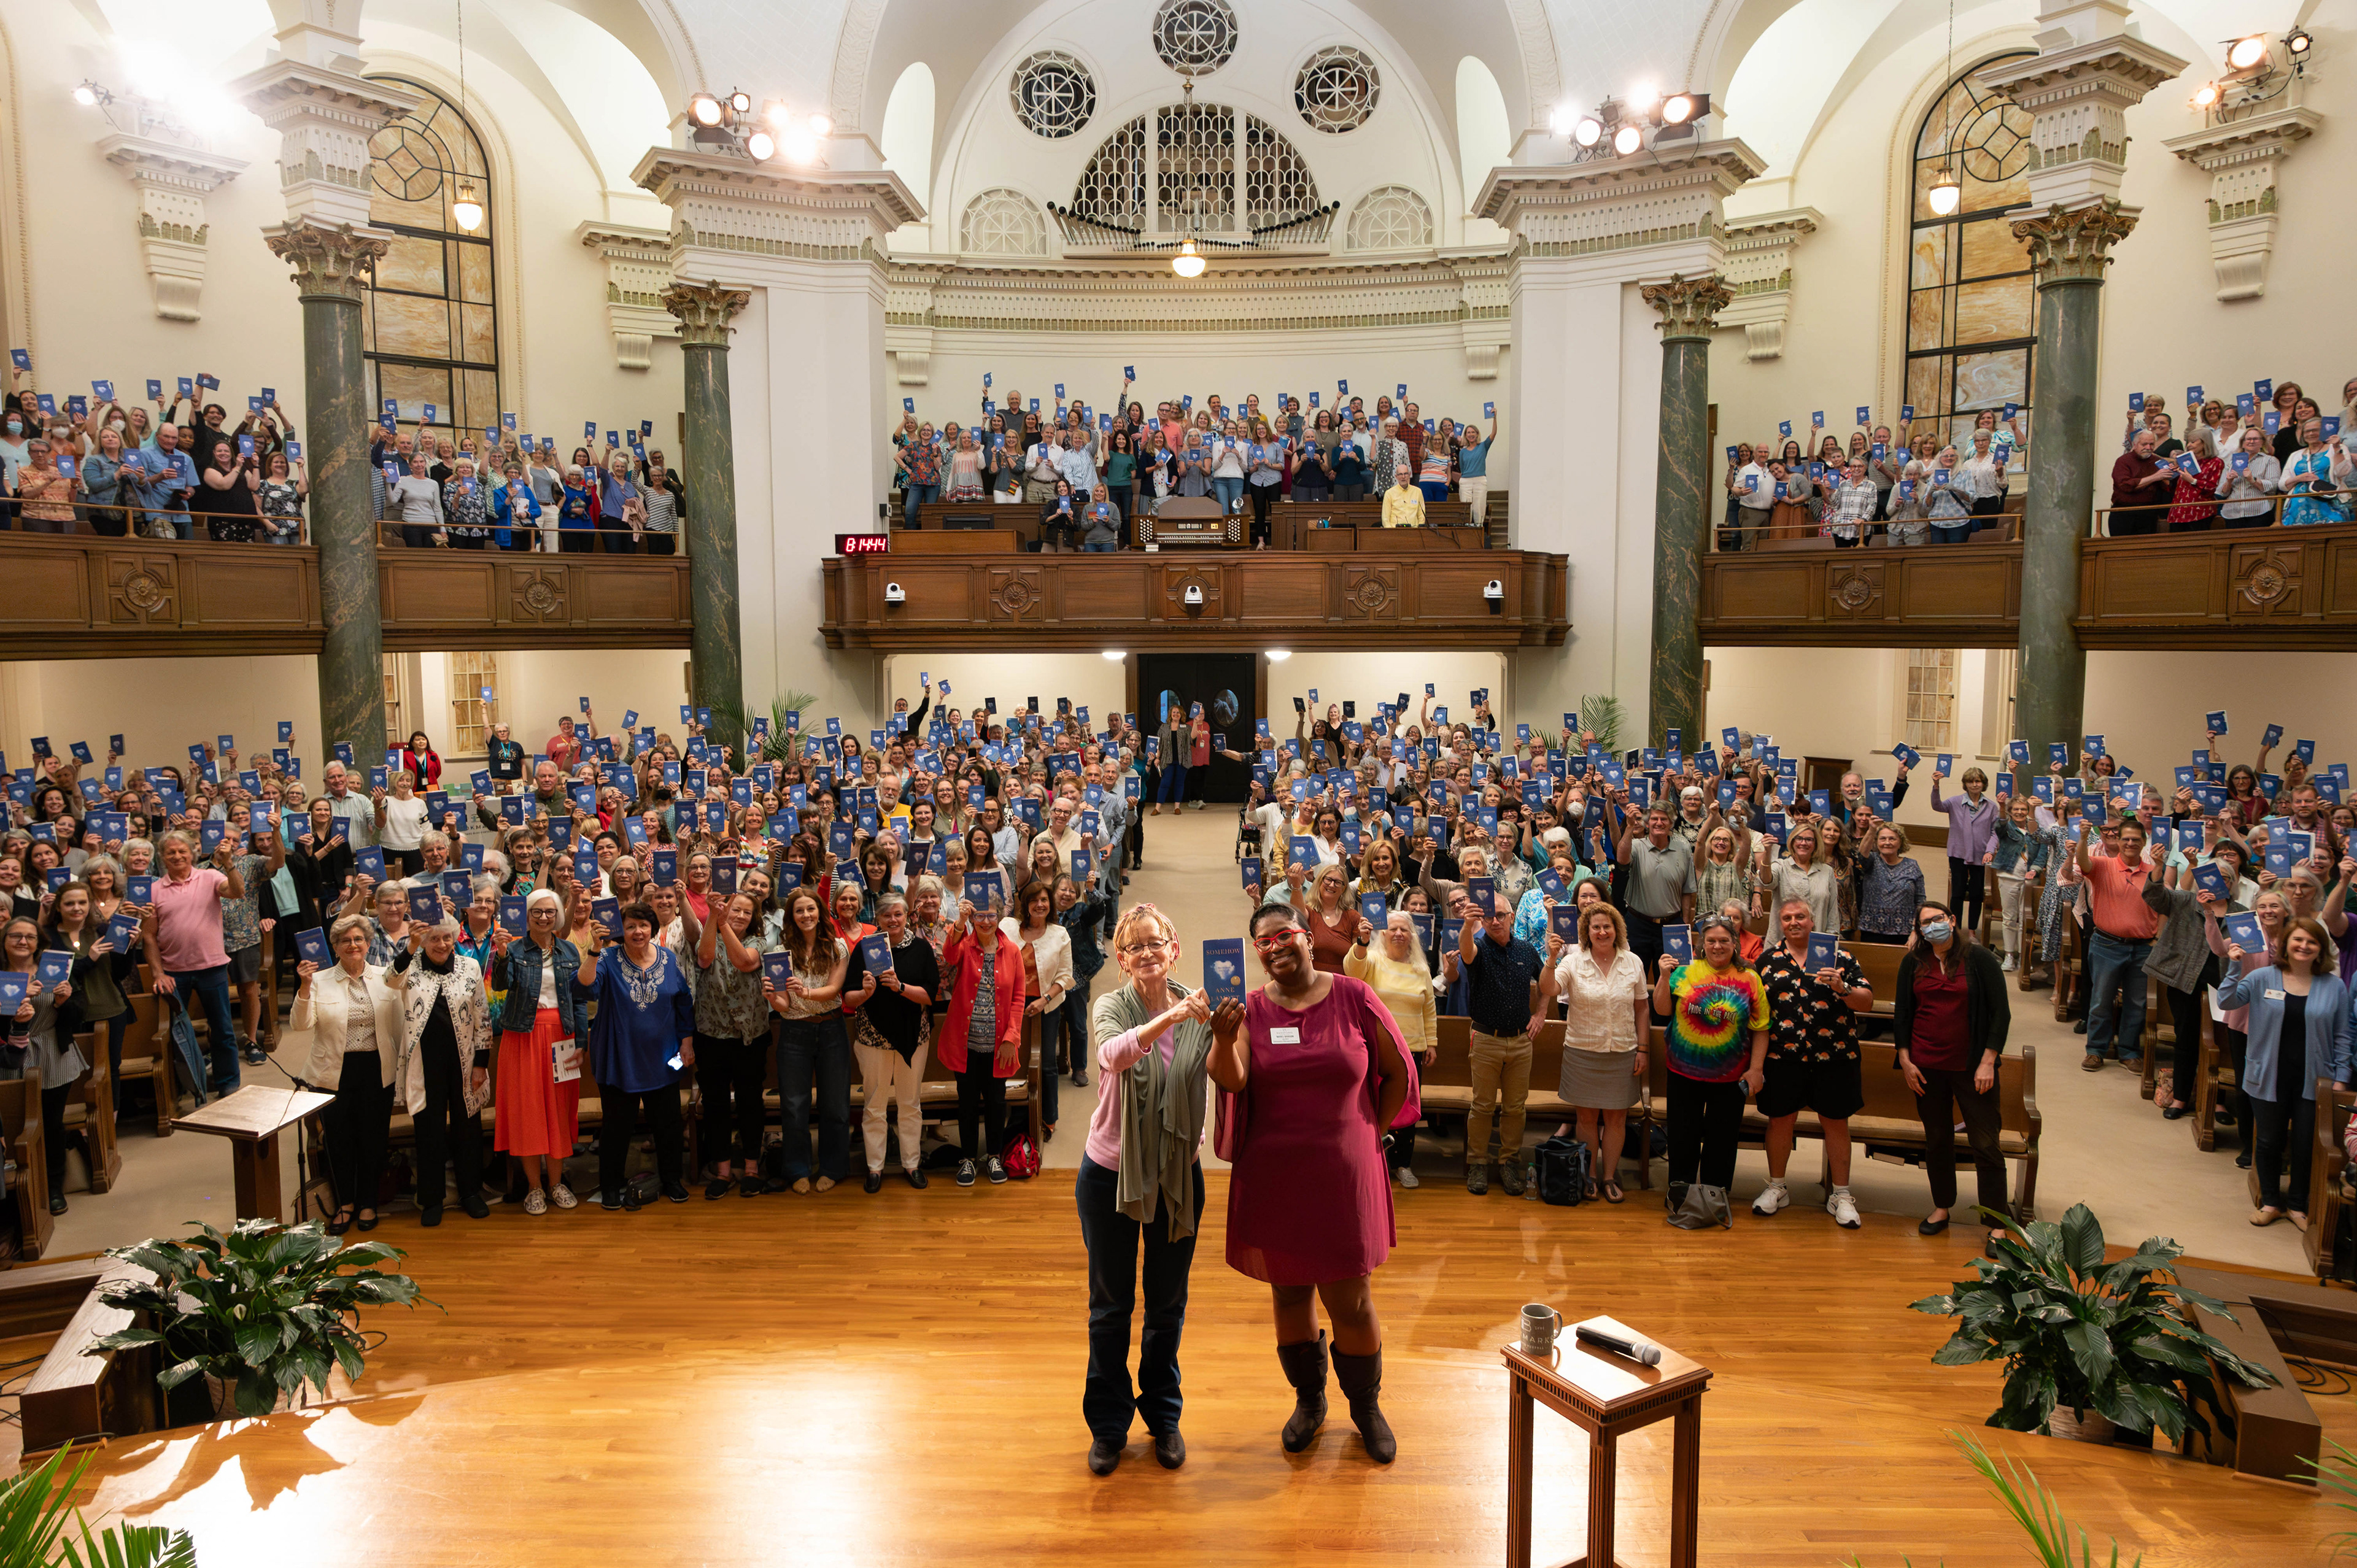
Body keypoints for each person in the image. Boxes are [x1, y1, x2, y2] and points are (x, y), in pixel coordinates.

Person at [1210, 902, 1411, 1464]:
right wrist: (1223, 1040)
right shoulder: (1245, 1011)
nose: (1275, 948)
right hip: (1276, 1176)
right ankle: (1309, 1401)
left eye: (1284, 936)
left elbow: (1397, 1072)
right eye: (1263, 943)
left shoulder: (1352, 995)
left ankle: (1366, 1407)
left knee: (1350, 1297)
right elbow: (1232, 1078)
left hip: (1343, 1175)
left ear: (1305, 935)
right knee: (1290, 1290)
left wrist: (1372, 1131)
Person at [1078, 904, 1228, 1475]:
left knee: (1167, 1306)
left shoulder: (1202, 1007)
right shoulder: (1111, 1006)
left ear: (1174, 949)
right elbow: (1113, 1055)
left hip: (1176, 1173)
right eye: (1134, 946)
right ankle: (1110, 1426)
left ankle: (1163, 1417)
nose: (1146, 953)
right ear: (1121, 959)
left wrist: (1225, 1028)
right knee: (1110, 1308)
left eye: (1154, 943)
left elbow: (1226, 1068)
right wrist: (1171, 1019)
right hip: (1110, 1173)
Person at [1894, 900, 2013, 1256]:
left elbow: (2001, 1015)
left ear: (1952, 920)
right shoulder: (1913, 962)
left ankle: (1996, 1223)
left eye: (1938, 920)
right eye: (1925, 923)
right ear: (1919, 931)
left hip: (1973, 1068)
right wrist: (1906, 1061)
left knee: (1986, 1144)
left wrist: (1988, 1061)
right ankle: (1942, 1206)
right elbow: (1902, 1015)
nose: (1933, 927)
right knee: (1938, 1140)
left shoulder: (1980, 960)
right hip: (1926, 1068)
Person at [2218, 916, 2351, 1229]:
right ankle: (2271, 1202)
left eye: (2312, 942)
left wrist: (2342, 1076)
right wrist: (2234, 966)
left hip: (2316, 1079)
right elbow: (2226, 1001)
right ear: (2286, 945)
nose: (2304, 946)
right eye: (2298, 940)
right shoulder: (2263, 977)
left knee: (2306, 1144)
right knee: (2268, 1140)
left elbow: (2343, 1034)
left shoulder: (2334, 986)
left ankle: (2297, 1205)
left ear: (2321, 949)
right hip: (2267, 1075)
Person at [1751, 900, 1873, 1227]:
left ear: (1812, 919)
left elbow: (1868, 1001)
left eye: (1800, 916)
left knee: (1836, 1123)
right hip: (1783, 1057)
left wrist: (1842, 987)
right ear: (1780, 923)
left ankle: (1842, 1194)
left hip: (1834, 1056)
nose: (1794, 922)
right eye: (1787, 918)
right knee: (1779, 1121)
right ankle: (1777, 1187)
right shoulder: (1767, 961)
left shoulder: (1840, 956)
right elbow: (1757, 1014)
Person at [1651, 913, 1768, 1229]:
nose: (1717, 946)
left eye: (1724, 941)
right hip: (1683, 1074)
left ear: (1735, 944)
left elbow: (1761, 1028)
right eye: (1711, 941)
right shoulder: (1685, 971)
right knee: (1682, 1138)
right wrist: (1663, 976)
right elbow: (1662, 1009)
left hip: (1730, 1078)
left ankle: (1716, 1200)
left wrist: (1756, 1069)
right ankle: (1681, 1197)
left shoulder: (1750, 979)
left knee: (1722, 1141)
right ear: (1702, 943)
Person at [577, 900, 695, 1210]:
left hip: (665, 1056)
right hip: (620, 1056)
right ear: (621, 931)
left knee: (668, 1124)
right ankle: (611, 1186)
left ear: (653, 929)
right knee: (617, 1126)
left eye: (643, 925)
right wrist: (593, 949)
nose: (638, 931)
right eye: (630, 926)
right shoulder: (606, 958)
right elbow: (585, 988)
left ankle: (671, 1180)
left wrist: (686, 1041)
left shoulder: (668, 959)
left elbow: (683, 1002)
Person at [292, 913, 403, 1234]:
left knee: (373, 1140)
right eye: (345, 941)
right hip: (331, 1073)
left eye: (358, 939)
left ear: (369, 944)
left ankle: (368, 1202)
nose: (353, 945)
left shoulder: (386, 978)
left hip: (376, 1069)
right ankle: (345, 1204)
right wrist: (304, 986)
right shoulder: (320, 979)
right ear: (335, 947)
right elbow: (300, 1026)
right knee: (339, 1141)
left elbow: (399, 1025)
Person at [1538, 902, 1648, 1203]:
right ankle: (1590, 1176)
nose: (1602, 932)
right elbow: (1548, 989)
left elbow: (1642, 1008)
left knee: (1616, 1120)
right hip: (1582, 1051)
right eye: (1595, 927)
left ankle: (1609, 1176)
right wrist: (1550, 958)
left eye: (1607, 926)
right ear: (1586, 932)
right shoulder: (1573, 962)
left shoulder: (1633, 962)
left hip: (1622, 1050)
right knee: (1586, 1120)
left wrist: (1643, 1048)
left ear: (1617, 930)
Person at [390, 910, 493, 1224]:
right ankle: (431, 1199)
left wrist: (481, 1065)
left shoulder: (470, 966)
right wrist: (411, 947)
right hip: (424, 1063)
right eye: (434, 938)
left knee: (468, 1129)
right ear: (423, 942)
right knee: (429, 1131)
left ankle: (471, 1193)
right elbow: (389, 980)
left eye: (447, 937)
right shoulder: (411, 968)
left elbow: (483, 1017)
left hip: (464, 1062)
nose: (442, 944)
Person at [492, 889, 586, 1214]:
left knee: (559, 1112)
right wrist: (502, 954)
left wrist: (582, 1043)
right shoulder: (514, 949)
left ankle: (556, 1184)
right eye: (537, 912)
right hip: (522, 1038)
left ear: (558, 915)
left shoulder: (569, 950)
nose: (544, 917)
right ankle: (534, 1188)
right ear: (526, 914)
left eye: (550, 912)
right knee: (528, 1112)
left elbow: (579, 1001)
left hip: (562, 1037)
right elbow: (502, 985)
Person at [843, 889, 940, 1191]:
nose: (893, 919)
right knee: (874, 1107)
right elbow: (848, 996)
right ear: (879, 920)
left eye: (898, 914)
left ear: (906, 917)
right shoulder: (864, 949)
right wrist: (867, 992)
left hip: (913, 1037)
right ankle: (875, 1168)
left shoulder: (922, 949)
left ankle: (912, 1164)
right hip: (873, 1038)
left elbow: (929, 996)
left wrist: (899, 987)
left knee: (910, 1105)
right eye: (887, 915)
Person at [142, 828, 244, 1097]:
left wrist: (229, 863)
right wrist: (157, 973)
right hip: (174, 974)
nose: (177, 856)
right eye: (171, 852)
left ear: (193, 853)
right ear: (163, 858)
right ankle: (184, 1089)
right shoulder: (153, 890)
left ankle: (229, 1085)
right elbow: (149, 937)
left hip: (213, 969)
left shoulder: (210, 876)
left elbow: (237, 891)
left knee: (222, 1030)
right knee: (177, 1036)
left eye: (182, 851)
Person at [1455, 889, 1543, 1195]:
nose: (1495, 921)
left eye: (1501, 916)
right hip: (1485, 1040)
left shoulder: (1526, 950)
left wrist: (1542, 1013)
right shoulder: (1478, 947)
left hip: (1521, 1042)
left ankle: (1509, 1164)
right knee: (1482, 1107)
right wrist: (1468, 925)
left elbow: (1546, 983)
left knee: (1516, 1109)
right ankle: (1478, 1163)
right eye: (1489, 916)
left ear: (1512, 917)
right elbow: (1466, 953)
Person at [0, 914, 88, 1215]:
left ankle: (54, 1187)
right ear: (5, 941)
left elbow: (80, 1015)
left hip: (53, 1052)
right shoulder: (1, 974)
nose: (23, 942)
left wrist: (64, 1002)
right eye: (15, 936)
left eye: (30, 937)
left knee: (51, 1122)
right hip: (12, 1054)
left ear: (39, 943)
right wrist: (14, 1003)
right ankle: (21, 1187)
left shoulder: (56, 970)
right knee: (17, 1121)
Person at [766, 886, 851, 1194]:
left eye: (811, 909)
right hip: (794, 1031)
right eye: (799, 911)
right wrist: (773, 998)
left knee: (836, 1105)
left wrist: (806, 993)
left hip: (831, 1028)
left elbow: (834, 990)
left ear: (820, 912)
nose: (806, 915)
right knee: (793, 1106)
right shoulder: (779, 952)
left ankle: (833, 1167)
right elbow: (784, 1005)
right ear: (791, 916)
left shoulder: (838, 947)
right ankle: (798, 1169)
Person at [1345, 909, 1436, 1189]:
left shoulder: (1421, 969)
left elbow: (1429, 1010)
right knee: (1372, 1106)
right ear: (1382, 933)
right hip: (1376, 1052)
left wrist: (1431, 1042)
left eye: (1405, 930)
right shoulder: (1371, 960)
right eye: (1393, 929)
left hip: (1411, 1051)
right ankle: (1372, 1160)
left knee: (1406, 1109)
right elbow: (1352, 970)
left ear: (1412, 936)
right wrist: (1361, 942)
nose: (1399, 933)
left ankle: (1403, 1164)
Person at [693, 890, 775, 1198]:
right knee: (715, 1105)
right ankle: (723, 1171)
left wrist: (722, 919)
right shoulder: (707, 934)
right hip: (711, 1034)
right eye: (734, 910)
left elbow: (743, 962)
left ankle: (752, 1168)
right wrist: (714, 918)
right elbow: (705, 958)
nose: (740, 916)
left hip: (749, 1035)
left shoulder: (758, 942)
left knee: (750, 1102)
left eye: (746, 913)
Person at [940, 885, 1021, 1186]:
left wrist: (1012, 1037)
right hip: (966, 1042)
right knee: (968, 1103)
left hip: (999, 1043)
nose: (986, 921)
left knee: (997, 1102)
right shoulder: (965, 943)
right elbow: (949, 955)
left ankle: (995, 1156)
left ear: (1001, 917)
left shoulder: (1011, 950)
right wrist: (959, 923)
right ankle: (968, 1159)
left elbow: (1018, 997)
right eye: (980, 916)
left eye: (992, 915)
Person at [2074, 814, 2158, 1072]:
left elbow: (2165, 904)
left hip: (2143, 948)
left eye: (2136, 839)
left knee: (2137, 1003)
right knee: (2101, 1000)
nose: (2130, 843)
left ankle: (2129, 1051)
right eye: (2126, 839)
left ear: (2144, 842)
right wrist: (2084, 837)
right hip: (2107, 945)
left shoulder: (2154, 872)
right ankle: (2096, 1050)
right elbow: (2082, 861)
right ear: (2117, 841)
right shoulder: (2103, 865)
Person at [1929, 765, 1998, 935]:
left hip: (1981, 855)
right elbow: (1937, 806)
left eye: (1978, 781)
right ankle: (1956, 927)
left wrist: (1990, 851)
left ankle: (1973, 929)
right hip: (1958, 853)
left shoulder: (1991, 807)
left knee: (1976, 894)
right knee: (1958, 893)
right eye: (1971, 781)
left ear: (1984, 784)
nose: (1975, 785)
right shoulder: (1954, 802)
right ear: (1965, 784)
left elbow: (1995, 832)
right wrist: (1936, 786)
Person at [1379, 463, 1425, 529]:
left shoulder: (1418, 492)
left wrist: (1420, 529)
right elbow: (1385, 519)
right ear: (1396, 476)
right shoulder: (1389, 493)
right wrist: (1390, 532)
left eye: (1405, 474)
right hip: (1395, 532)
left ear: (1409, 475)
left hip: (1414, 531)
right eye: (1400, 474)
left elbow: (1421, 515)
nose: (1403, 477)